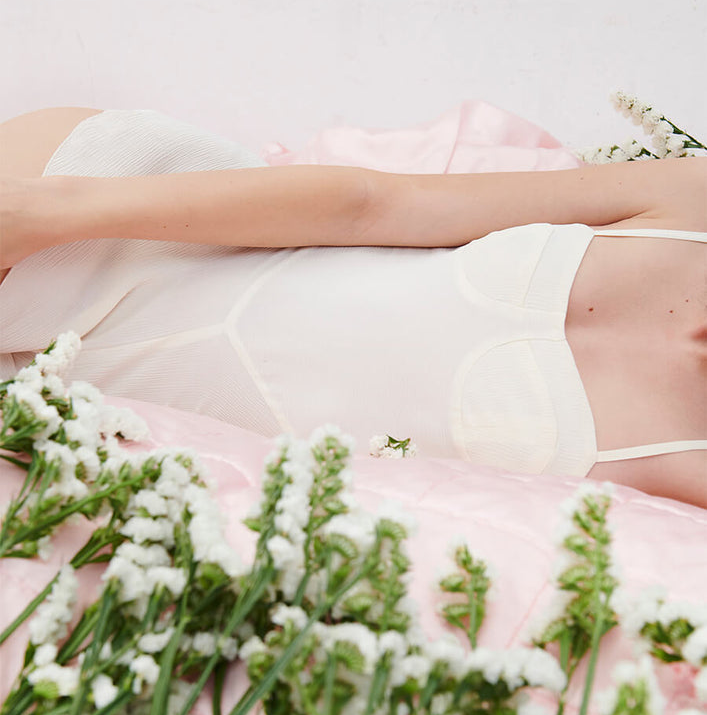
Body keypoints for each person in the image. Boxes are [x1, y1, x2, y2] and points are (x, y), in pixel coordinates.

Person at [0, 106, 705, 509]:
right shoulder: (691, 206)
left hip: (124, 459)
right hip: (139, 243)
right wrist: (51, 211)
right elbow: (380, 204)